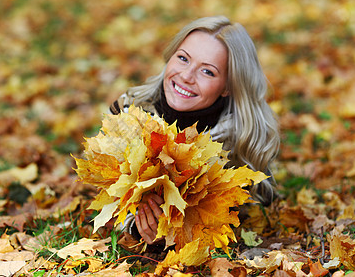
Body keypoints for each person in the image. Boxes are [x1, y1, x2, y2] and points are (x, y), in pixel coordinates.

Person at [109, 16, 280, 245]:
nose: (187, 76)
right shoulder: (129, 111)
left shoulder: (237, 139)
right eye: (183, 58)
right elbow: (107, 192)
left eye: (207, 71)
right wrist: (137, 224)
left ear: (228, 86)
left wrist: (181, 230)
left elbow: (245, 212)